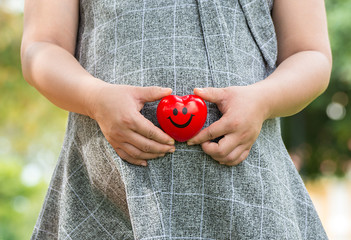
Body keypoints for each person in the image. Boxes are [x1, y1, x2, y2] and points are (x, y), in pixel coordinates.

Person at [21, 0, 331, 239]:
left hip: (250, 196)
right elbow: (41, 46)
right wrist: (95, 98)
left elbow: (310, 54)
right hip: (110, 196)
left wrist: (263, 101)